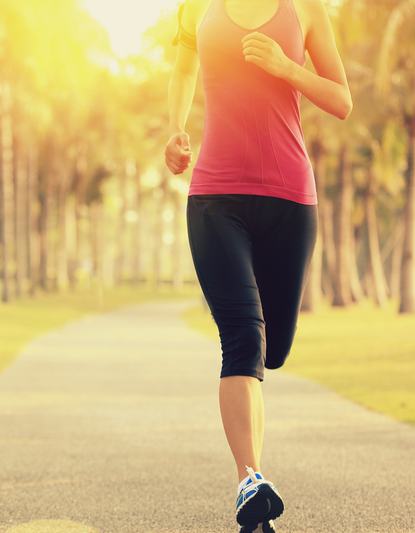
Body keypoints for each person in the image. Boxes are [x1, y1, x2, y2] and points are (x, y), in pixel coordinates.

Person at [165, 0, 352, 531]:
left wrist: (286, 67)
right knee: (244, 338)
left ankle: (254, 486)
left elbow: (341, 101)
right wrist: (174, 130)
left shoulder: (306, 10)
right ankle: (250, 481)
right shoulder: (197, 8)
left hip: (290, 199)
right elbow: (183, 69)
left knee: (273, 347)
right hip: (215, 197)